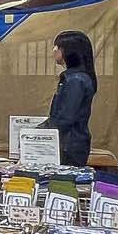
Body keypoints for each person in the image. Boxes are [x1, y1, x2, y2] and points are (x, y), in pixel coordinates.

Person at [44, 29, 98, 167]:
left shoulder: (76, 80)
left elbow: (66, 118)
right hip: (68, 143)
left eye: (58, 46)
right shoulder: (72, 77)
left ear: (69, 51)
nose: (53, 50)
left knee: (62, 185)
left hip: (69, 146)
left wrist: (38, 133)